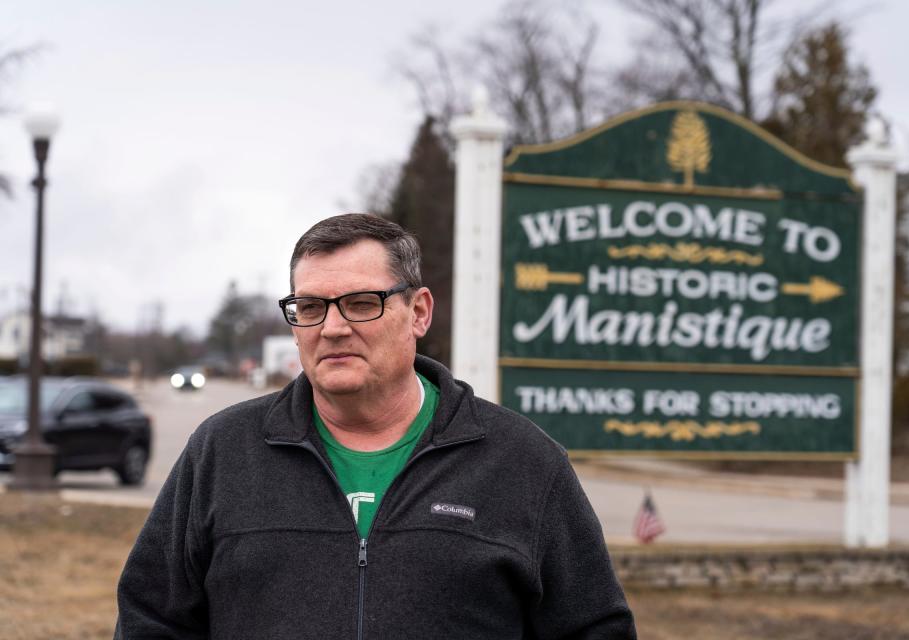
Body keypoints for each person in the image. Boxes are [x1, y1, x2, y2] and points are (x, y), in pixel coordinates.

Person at [115, 213, 637, 639]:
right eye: (311, 307)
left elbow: (593, 629)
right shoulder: (222, 453)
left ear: (419, 313)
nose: (334, 328)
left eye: (363, 304)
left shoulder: (522, 461)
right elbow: (151, 619)